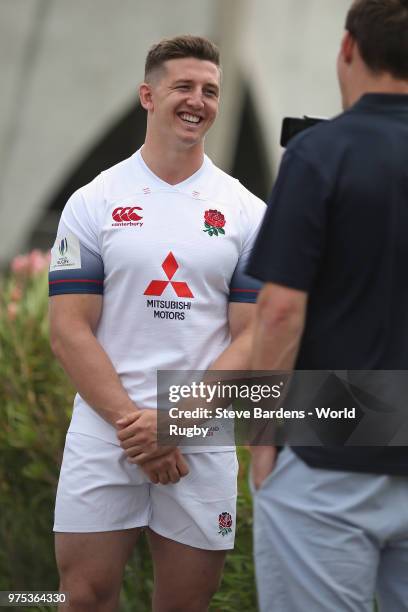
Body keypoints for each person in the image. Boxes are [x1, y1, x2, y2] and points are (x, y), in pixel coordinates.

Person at [48, 35, 265, 611]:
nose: (198, 101)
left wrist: (177, 420)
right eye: (184, 87)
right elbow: (69, 329)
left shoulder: (247, 211)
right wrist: (138, 427)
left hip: (200, 433)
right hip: (105, 427)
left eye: (211, 91)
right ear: (148, 95)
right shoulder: (92, 202)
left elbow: (252, 337)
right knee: (84, 598)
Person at [246, 1, 408, 610]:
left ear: (347, 48)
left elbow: (279, 312)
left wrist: (263, 435)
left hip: (327, 452)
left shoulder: (322, 152)